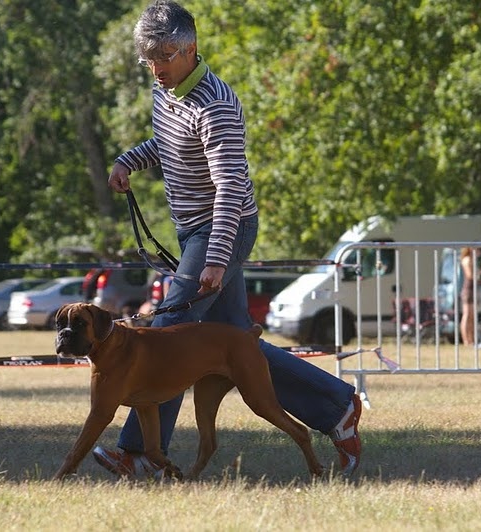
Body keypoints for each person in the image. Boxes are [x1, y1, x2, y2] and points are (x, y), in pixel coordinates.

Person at [93, 0, 362, 478]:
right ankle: (337, 406)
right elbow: (169, 141)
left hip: (223, 227)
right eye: (148, 60)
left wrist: (216, 259)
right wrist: (129, 161)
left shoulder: (215, 105)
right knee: (237, 346)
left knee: (168, 338)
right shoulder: (168, 89)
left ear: (190, 48)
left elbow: (231, 189)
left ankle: (135, 453)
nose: (155, 69)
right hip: (195, 229)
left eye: (163, 59)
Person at [459, 247, 481, 346]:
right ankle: (466, 340)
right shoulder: (467, 260)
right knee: (467, 315)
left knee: (471, 316)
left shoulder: (472, 260)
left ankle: (471, 339)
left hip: (472, 290)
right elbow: (471, 276)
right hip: (468, 290)